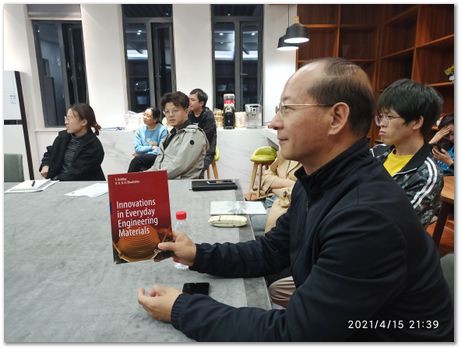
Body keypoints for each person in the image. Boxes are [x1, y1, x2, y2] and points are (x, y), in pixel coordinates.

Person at [137, 58, 453, 341]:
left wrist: (182, 308)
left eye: (287, 109)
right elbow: (273, 249)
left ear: (336, 118)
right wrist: (197, 254)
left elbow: (297, 333)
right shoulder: (317, 179)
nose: (274, 122)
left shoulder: (366, 217)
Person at [370, 79, 444, 228]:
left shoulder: (427, 174)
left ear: (416, 122)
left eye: (389, 117)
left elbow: (391, 224)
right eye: (381, 117)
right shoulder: (376, 153)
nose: (382, 123)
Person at [150, 91, 208, 179]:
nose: (171, 115)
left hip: (182, 187)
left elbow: (180, 165)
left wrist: (151, 178)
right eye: (167, 111)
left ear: (187, 110)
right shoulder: (171, 134)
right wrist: (141, 176)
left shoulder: (194, 134)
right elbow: (157, 165)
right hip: (165, 183)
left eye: (175, 110)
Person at [39, 103, 105, 181]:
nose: (66, 122)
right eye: (66, 118)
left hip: (82, 186)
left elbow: (76, 174)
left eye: (69, 119)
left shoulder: (94, 146)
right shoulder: (63, 137)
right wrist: (45, 165)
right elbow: (50, 153)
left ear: (83, 122)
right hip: (59, 183)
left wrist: (54, 180)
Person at [127, 107, 168, 172]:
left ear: (155, 119)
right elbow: (137, 148)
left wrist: (142, 154)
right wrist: (151, 147)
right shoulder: (140, 130)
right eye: (144, 115)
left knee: (136, 160)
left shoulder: (162, 130)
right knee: (140, 167)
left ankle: (128, 180)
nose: (145, 117)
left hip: (156, 156)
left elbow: (161, 149)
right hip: (143, 157)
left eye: (148, 116)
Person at [188, 88, 217, 178]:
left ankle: (198, 189)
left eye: (192, 100)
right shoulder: (189, 114)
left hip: (206, 151)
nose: (189, 102)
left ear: (201, 103)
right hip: (191, 149)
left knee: (196, 170)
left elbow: (205, 138)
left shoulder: (208, 115)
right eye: (189, 99)